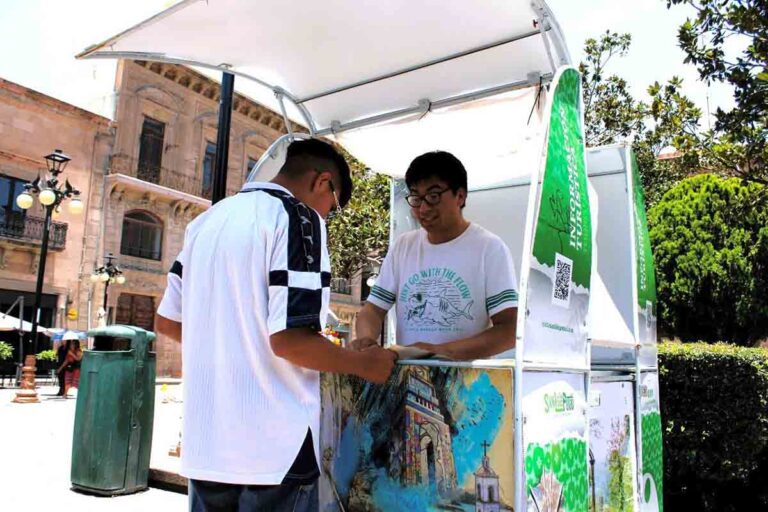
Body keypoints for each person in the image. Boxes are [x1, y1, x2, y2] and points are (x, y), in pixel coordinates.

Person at [155, 138, 396, 512]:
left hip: (208, 446)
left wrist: (233, 344)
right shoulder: (299, 218)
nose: (328, 215)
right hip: (275, 447)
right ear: (322, 182)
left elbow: (167, 321)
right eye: (333, 205)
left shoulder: (206, 222)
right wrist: (364, 364)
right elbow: (290, 341)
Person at [353, 151, 518, 360]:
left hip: (468, 385)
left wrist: (439, 351)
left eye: (433, 196)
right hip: (410, 379)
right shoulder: (403, 246)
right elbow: (373, 311)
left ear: (460, 196)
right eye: (415, 197)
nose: (423, 208)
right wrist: (366, 340)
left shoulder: (490, 248)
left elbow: (509, 330)